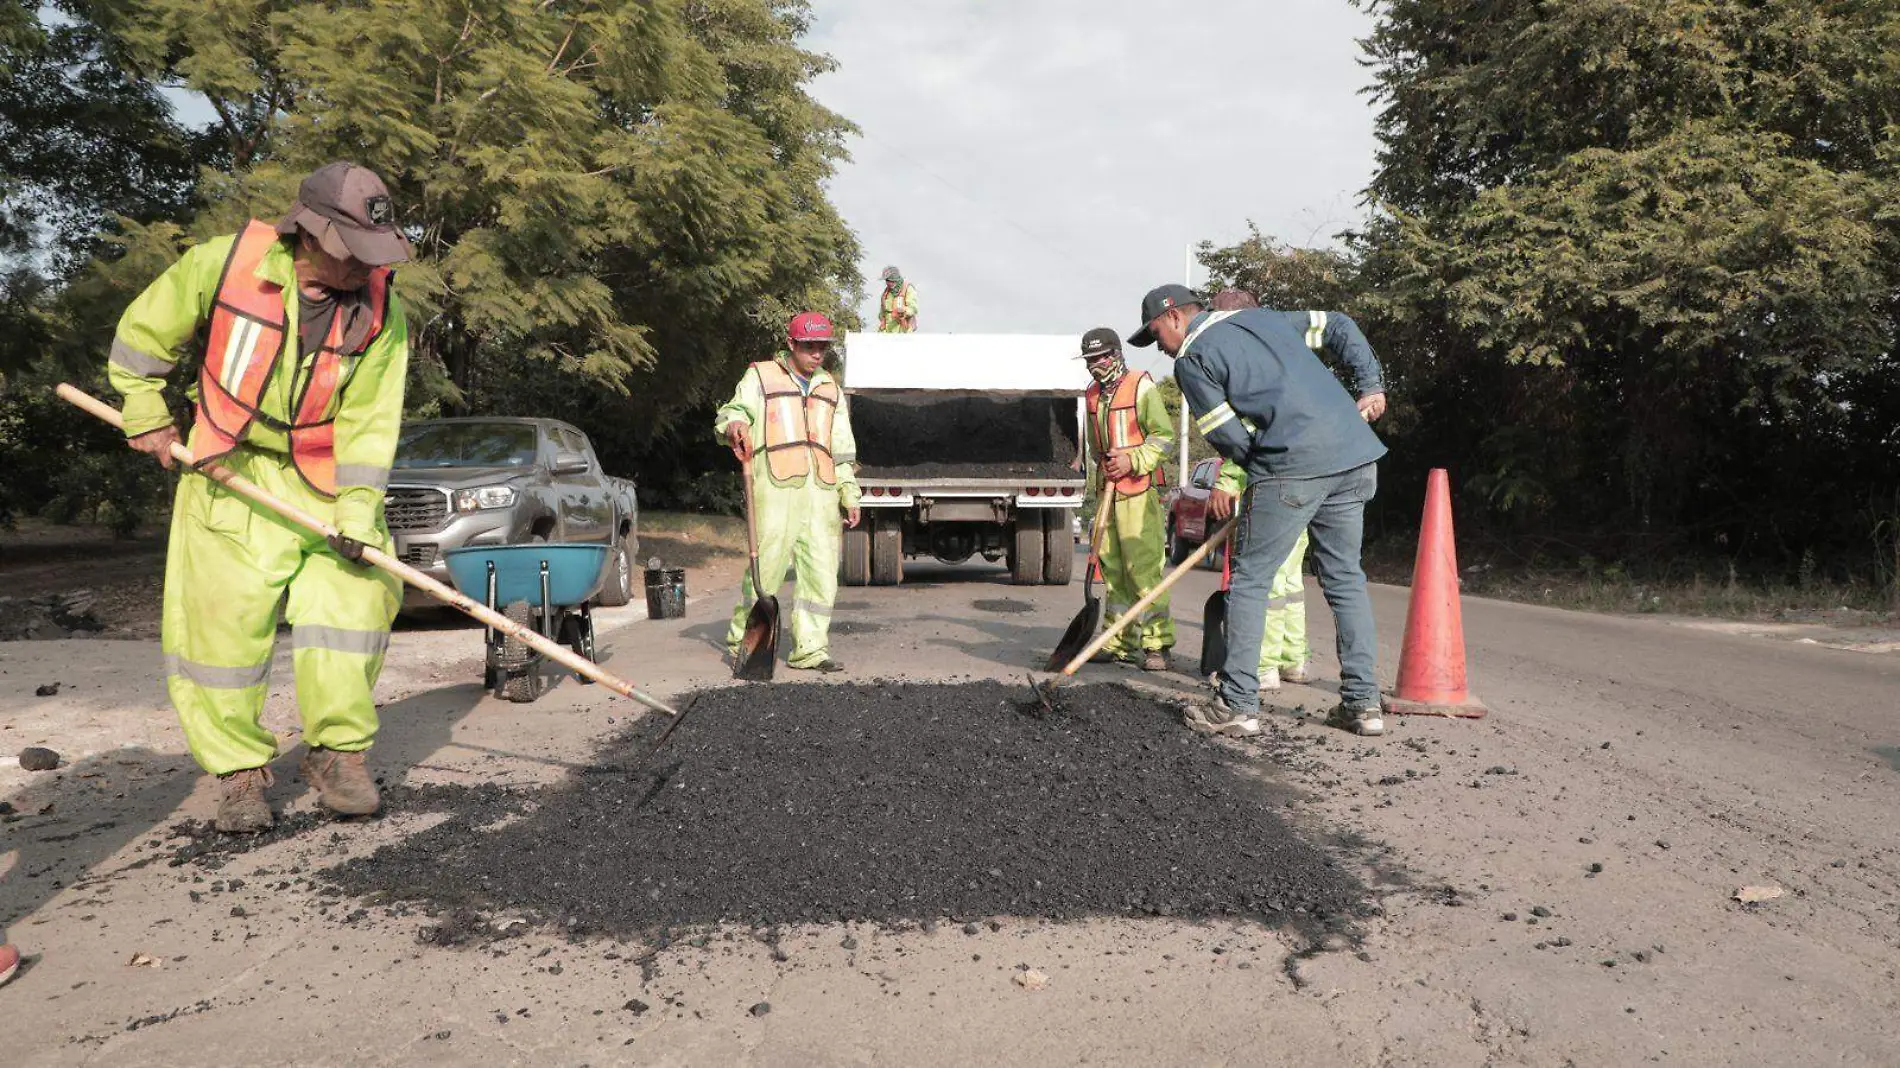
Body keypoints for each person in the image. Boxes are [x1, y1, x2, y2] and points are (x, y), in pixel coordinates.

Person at [109, 161, 412, 831]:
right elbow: (139, 342)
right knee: (220, 631)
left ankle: (337, 754)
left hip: (327, 483)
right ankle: (239, 773)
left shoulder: (383, 313)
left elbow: (369, 424)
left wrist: (359, 513)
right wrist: (145, 413)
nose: (366, 267)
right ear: (311, 234)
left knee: (353, 604)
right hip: (229, 473)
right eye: (354, 252)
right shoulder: (220, 267)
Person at [1128, 283, 1389, 738]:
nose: (1161, 350)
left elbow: (1227, 436)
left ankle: (1238, 704)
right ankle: (1363, 705)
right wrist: (1370, 385)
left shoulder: (1193, 359)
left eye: (1155, 336)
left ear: (1174, 317)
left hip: (1291, 466)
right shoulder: (1267, 319)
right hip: (1356, 457)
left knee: (1249, 580)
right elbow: (1339, 326)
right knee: (1345, 578)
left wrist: (1266, 473)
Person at [716, 312, 863, 672]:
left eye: (823, 347)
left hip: (821, 494)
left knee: (821, 573)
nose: (817, 353)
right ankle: (744, 639)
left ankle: (811, 649)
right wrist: (736, 425)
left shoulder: (831, 388)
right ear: (791, 343)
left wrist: (849, 492)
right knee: (764, 571)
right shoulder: (761, 376)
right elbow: (734, 411)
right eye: (810, 346)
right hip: (776, 491)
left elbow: (842, 448)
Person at [1077, 326, 1176, 671]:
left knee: (1143, 569)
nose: (1095, 366)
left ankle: (1156, 644)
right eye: (1090, 360)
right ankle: (1118, 641)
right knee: (1114, 571)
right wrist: (1103, 468)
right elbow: (1094, 445)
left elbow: (1163, 438)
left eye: (1100, 358)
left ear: (1116, 354)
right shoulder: (1092, 395)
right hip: (1108, 492)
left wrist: (1131, 460)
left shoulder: (1141, 386)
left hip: (1137, 492)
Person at [877, 266, 918, 333]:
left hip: (902, 331)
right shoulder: (886, 293)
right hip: (886, 332)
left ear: (895, 279)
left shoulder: (908, 288)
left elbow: (913, 308)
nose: (887, 283)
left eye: (890, 280)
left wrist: (904, 311)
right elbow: (882, 314)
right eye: (886, 280)